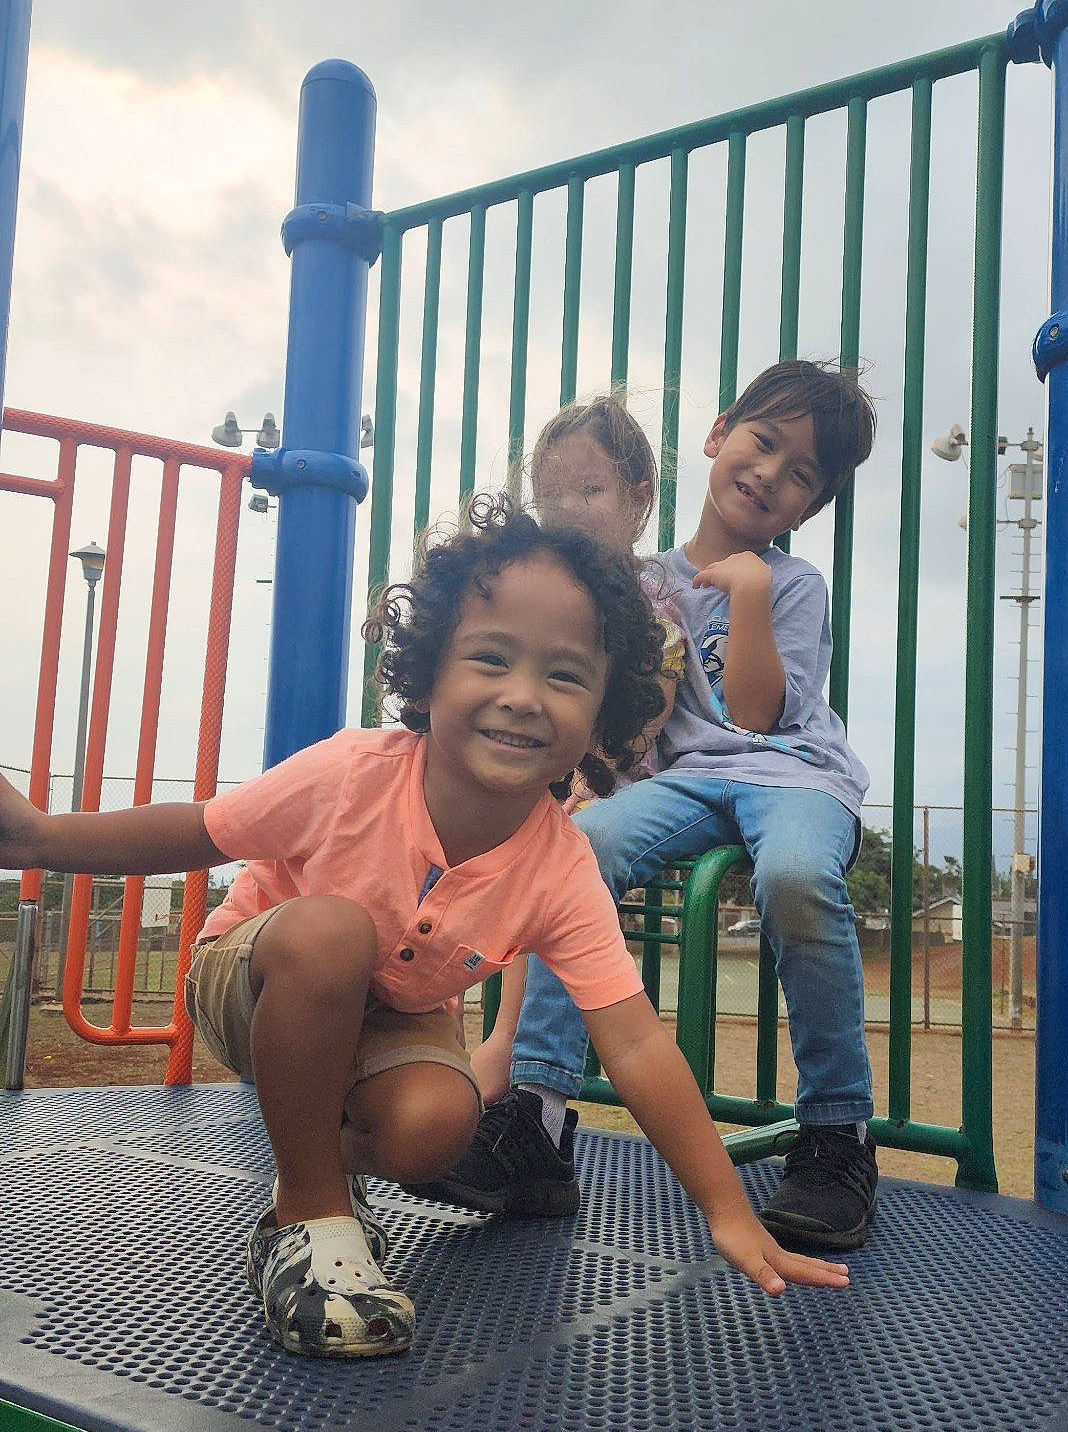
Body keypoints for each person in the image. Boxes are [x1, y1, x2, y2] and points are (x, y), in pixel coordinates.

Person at [0, 497, 850, 1362]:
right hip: (255, 977)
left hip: (388, 1018)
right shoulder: (352, 772)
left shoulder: (560, 865)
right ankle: (308, 1214)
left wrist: (726, 1211)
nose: (522, 698)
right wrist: (37, 838)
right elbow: (200, 828)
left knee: (437, 1128)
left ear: (605, 712)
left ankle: (320, 1177)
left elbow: (632, 1044)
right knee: (332, 933)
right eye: (490, 659)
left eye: (564, 676)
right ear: (429, 673)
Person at [428, 362, 880, 1254]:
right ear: (718, 435)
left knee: (793, 879)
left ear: (808, 506)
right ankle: (539, 1123)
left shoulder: (789, 585)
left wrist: (745, 593)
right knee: (577, 852)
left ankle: (836, 1135)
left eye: (801, 475)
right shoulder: (643, 582)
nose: (770, 474)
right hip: (683, 783)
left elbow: (756, 714)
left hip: (794, 775)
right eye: (763, 443)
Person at [470, 393, 685, 1108]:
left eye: (589, 490)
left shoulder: (652, 601)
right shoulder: (536, 585)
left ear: (637, 500)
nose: (565, 509)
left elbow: (633, 734)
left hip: (602, 780)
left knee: (550, 838)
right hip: (529, 767)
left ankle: (504, 1045)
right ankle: (418, 1031)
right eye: (549, 493)